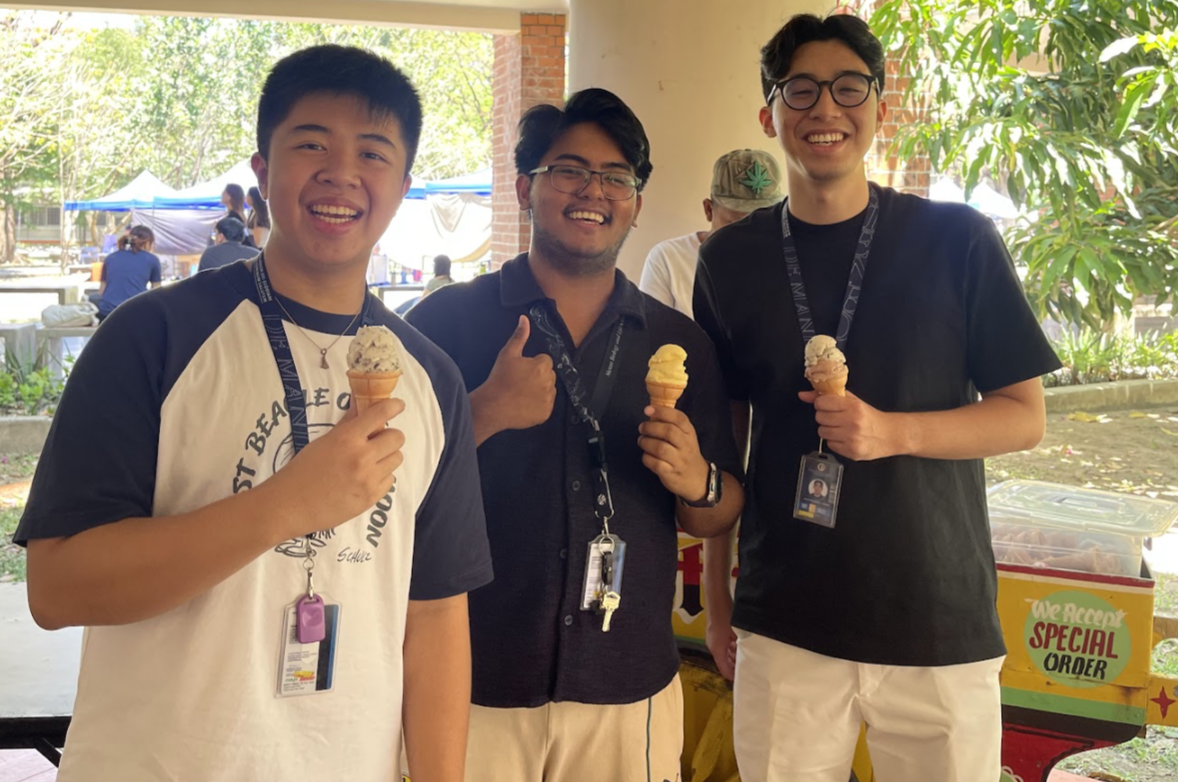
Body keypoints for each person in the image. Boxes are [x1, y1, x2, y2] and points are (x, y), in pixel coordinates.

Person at [17, 44, 492, 782]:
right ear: (263, 173)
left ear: (401, 186)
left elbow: (433, 615)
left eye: (372, 152)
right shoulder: (153, 339)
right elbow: (57, 588)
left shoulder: (432, 379)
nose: (341, 172)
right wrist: (283, 506)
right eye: (311, 144)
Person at [693, 13, 1062, 782]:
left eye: (848, 87)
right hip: (785, 620)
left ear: (880, 108)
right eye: (800, 89)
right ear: (769, 113)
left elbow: (1023, 416)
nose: (825, 108)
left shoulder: (958, 240)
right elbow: (724, 440)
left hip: (938, 619)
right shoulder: (730, 260)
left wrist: (892, 432)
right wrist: (719, 604)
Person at [406, 88, 745, 782]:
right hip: (469, 676)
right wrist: (486, 411)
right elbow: (382, 488)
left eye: (616, 177)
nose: (593, 191)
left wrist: (697, 479)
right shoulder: (445, 326)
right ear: (527, 188)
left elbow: (719, 512)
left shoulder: (681, 344)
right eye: (569, 170)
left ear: (637, 203)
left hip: (626, 686)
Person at [638, 148, 782, 318]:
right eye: (735, 225)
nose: (750, 236)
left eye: (762, 223)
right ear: (708, 210)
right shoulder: (668, 259)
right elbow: (651, 337)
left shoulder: (787, 261)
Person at [96, 225, 161, 321]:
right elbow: (157, 293)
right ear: (147, 243)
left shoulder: (110, 258)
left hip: (107, 313)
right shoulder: (152, 260)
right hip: (136, 313)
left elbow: (101, 291)